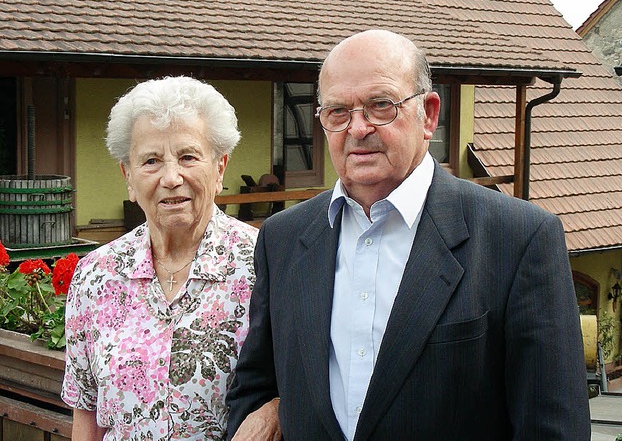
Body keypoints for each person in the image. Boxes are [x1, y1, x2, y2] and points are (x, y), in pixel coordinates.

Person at [226, 30, 591, 440]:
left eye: (380, 106)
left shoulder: (520, 239)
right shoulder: (282, 239)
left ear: (429, 115)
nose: (357, 128)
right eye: (338, 112)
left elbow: (553, 428)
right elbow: (256, 386)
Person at [61, 76, 278, 440]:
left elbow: (309, 383)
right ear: (128, 177)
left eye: (188, 156)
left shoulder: (264, 263)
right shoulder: (95, 276)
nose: (171, 177)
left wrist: (277, 408)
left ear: (220, 167)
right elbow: (87, 414)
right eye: (151, 161)